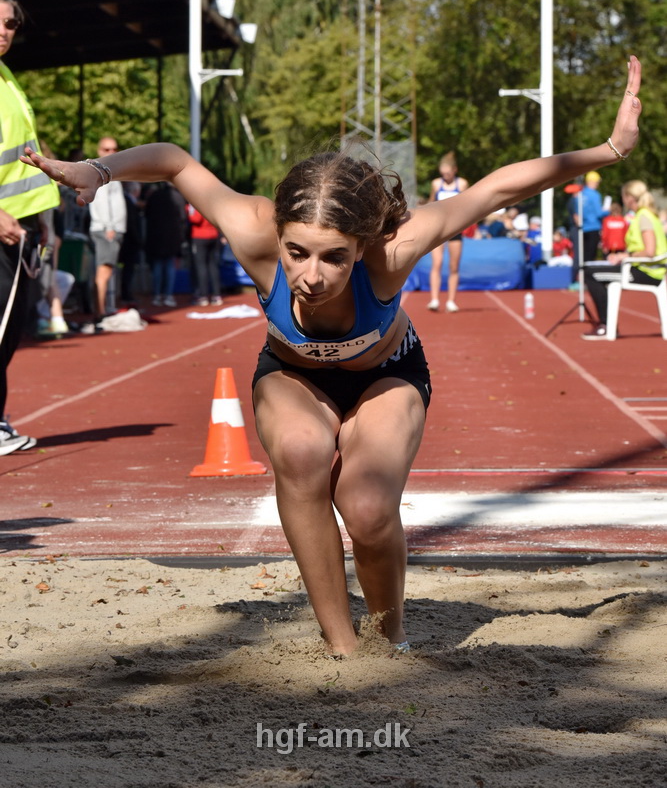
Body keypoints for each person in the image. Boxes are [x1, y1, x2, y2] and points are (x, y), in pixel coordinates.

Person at [21, 56, 643, 654]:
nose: (311, 276)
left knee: (367, 509)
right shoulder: (252, 230)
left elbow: (495, 189)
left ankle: (390, 640)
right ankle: (342, 647)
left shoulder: (393, 251)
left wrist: (609, 150)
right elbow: (176, 162)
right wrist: (98, 170)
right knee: (300, 452)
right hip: (293, 375)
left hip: (387, 375)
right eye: (297, 253)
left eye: (334, 258)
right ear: (279, 236)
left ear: (362, 246)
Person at [0, 0, 60, 454]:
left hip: (20, 227)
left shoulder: (6, 78)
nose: (4, 32)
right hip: (3, 227)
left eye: (10, 24)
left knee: (9, 331)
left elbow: (21, 159)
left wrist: (41, 217)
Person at [583, 179, 665, 339]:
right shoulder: (645, 215)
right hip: (645, 269)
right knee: (595, 271)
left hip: (647, 272)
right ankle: (608, 324)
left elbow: (649, 251)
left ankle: (606, 325)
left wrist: (624, 256)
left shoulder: (643, 216)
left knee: (591, 274)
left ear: (629, 197)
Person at [88, 136, 126, 319]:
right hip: (106, 228)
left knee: (107, 269)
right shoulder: (101, 172)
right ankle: (101, 311)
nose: (111, 152)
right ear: (99, 151)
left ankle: (104, 308)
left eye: (114, 149)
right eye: (107, 149)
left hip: (112, 228)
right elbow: (101, 202)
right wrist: (109, 227)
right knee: (104, 270)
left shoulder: (110, 171)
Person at [426, 152, 469, 312]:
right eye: (443, 173)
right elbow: (431, 203)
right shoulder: (436, 184)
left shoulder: (462, 184)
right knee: (437, 263)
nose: (445, 176)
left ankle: (451, 301)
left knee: (453, 266)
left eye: (448, 173)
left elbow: (468, 203)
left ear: (454, 170)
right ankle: (434, 299)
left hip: (455, 229)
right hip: (438, 228)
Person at [144, 182, 186, 307]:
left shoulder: (154, 196)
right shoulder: (177, 197)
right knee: (169, 266)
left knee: (158, 266)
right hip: (172, 237)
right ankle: (168, 295)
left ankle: (157, 295)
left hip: (156, 236)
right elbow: (183, 217)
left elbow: (147, 214)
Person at [187, 202, 224, 306]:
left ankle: (203, 295)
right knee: (212, 265)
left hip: (200, 237)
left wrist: (188, 210)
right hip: (213, 235)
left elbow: (195, 219)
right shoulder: (212, 203)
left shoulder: (196, 202)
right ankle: (216, 295)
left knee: (201, 266)